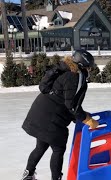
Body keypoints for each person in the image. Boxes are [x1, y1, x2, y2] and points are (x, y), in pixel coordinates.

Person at [21, 50, 99, 180]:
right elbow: (72, 105)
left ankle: (28, 174)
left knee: (41, 146)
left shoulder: (64, 69)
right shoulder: (75, 76)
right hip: (51, 117)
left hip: (40, 112)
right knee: (58, 148)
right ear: (82, 65)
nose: (90, 69)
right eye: (89, 66)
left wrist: (79, 116)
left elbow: (66, 100)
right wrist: (87, 119)